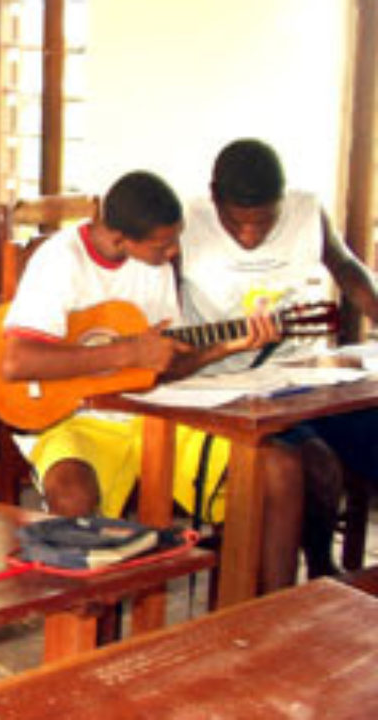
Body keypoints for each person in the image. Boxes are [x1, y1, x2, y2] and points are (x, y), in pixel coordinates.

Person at [1, 170, 304, 591]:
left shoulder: (155, 264)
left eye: (175, 240)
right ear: (120, 237)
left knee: (279, 469)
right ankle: (86, 641)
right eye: (163, 244)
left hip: (152, 412)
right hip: (76, 417)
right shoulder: (60, 260)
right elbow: (16, 362)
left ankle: (274, 613)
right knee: (72, 494)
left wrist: (230, 347)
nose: (173, 251)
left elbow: (164, 363)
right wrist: (126, 352)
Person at [178, 138, 378, 576]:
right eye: (238, 224)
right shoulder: (185, 224)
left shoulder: (307, 212)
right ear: (215, 199)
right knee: (319, 466)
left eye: (264, 221)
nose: (251, 235)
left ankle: (336, 580)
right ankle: (321, 572)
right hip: (224, 385)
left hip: (304, 372)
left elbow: (346, 267)